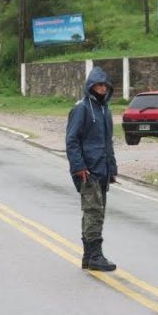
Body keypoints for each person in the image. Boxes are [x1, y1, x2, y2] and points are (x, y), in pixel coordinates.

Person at [65, 66, 118, 272]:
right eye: (98, 84)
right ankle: (95, 255)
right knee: (93, 211)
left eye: (105, 84)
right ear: (90, 86)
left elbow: (108, 142)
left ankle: (88, 256)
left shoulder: (105, 110)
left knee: (95, 212)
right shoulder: (82, 108)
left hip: (103, 169)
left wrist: (112, 168)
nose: (102, 88)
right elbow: (72, 140)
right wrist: (79, 166)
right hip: (88, 170)